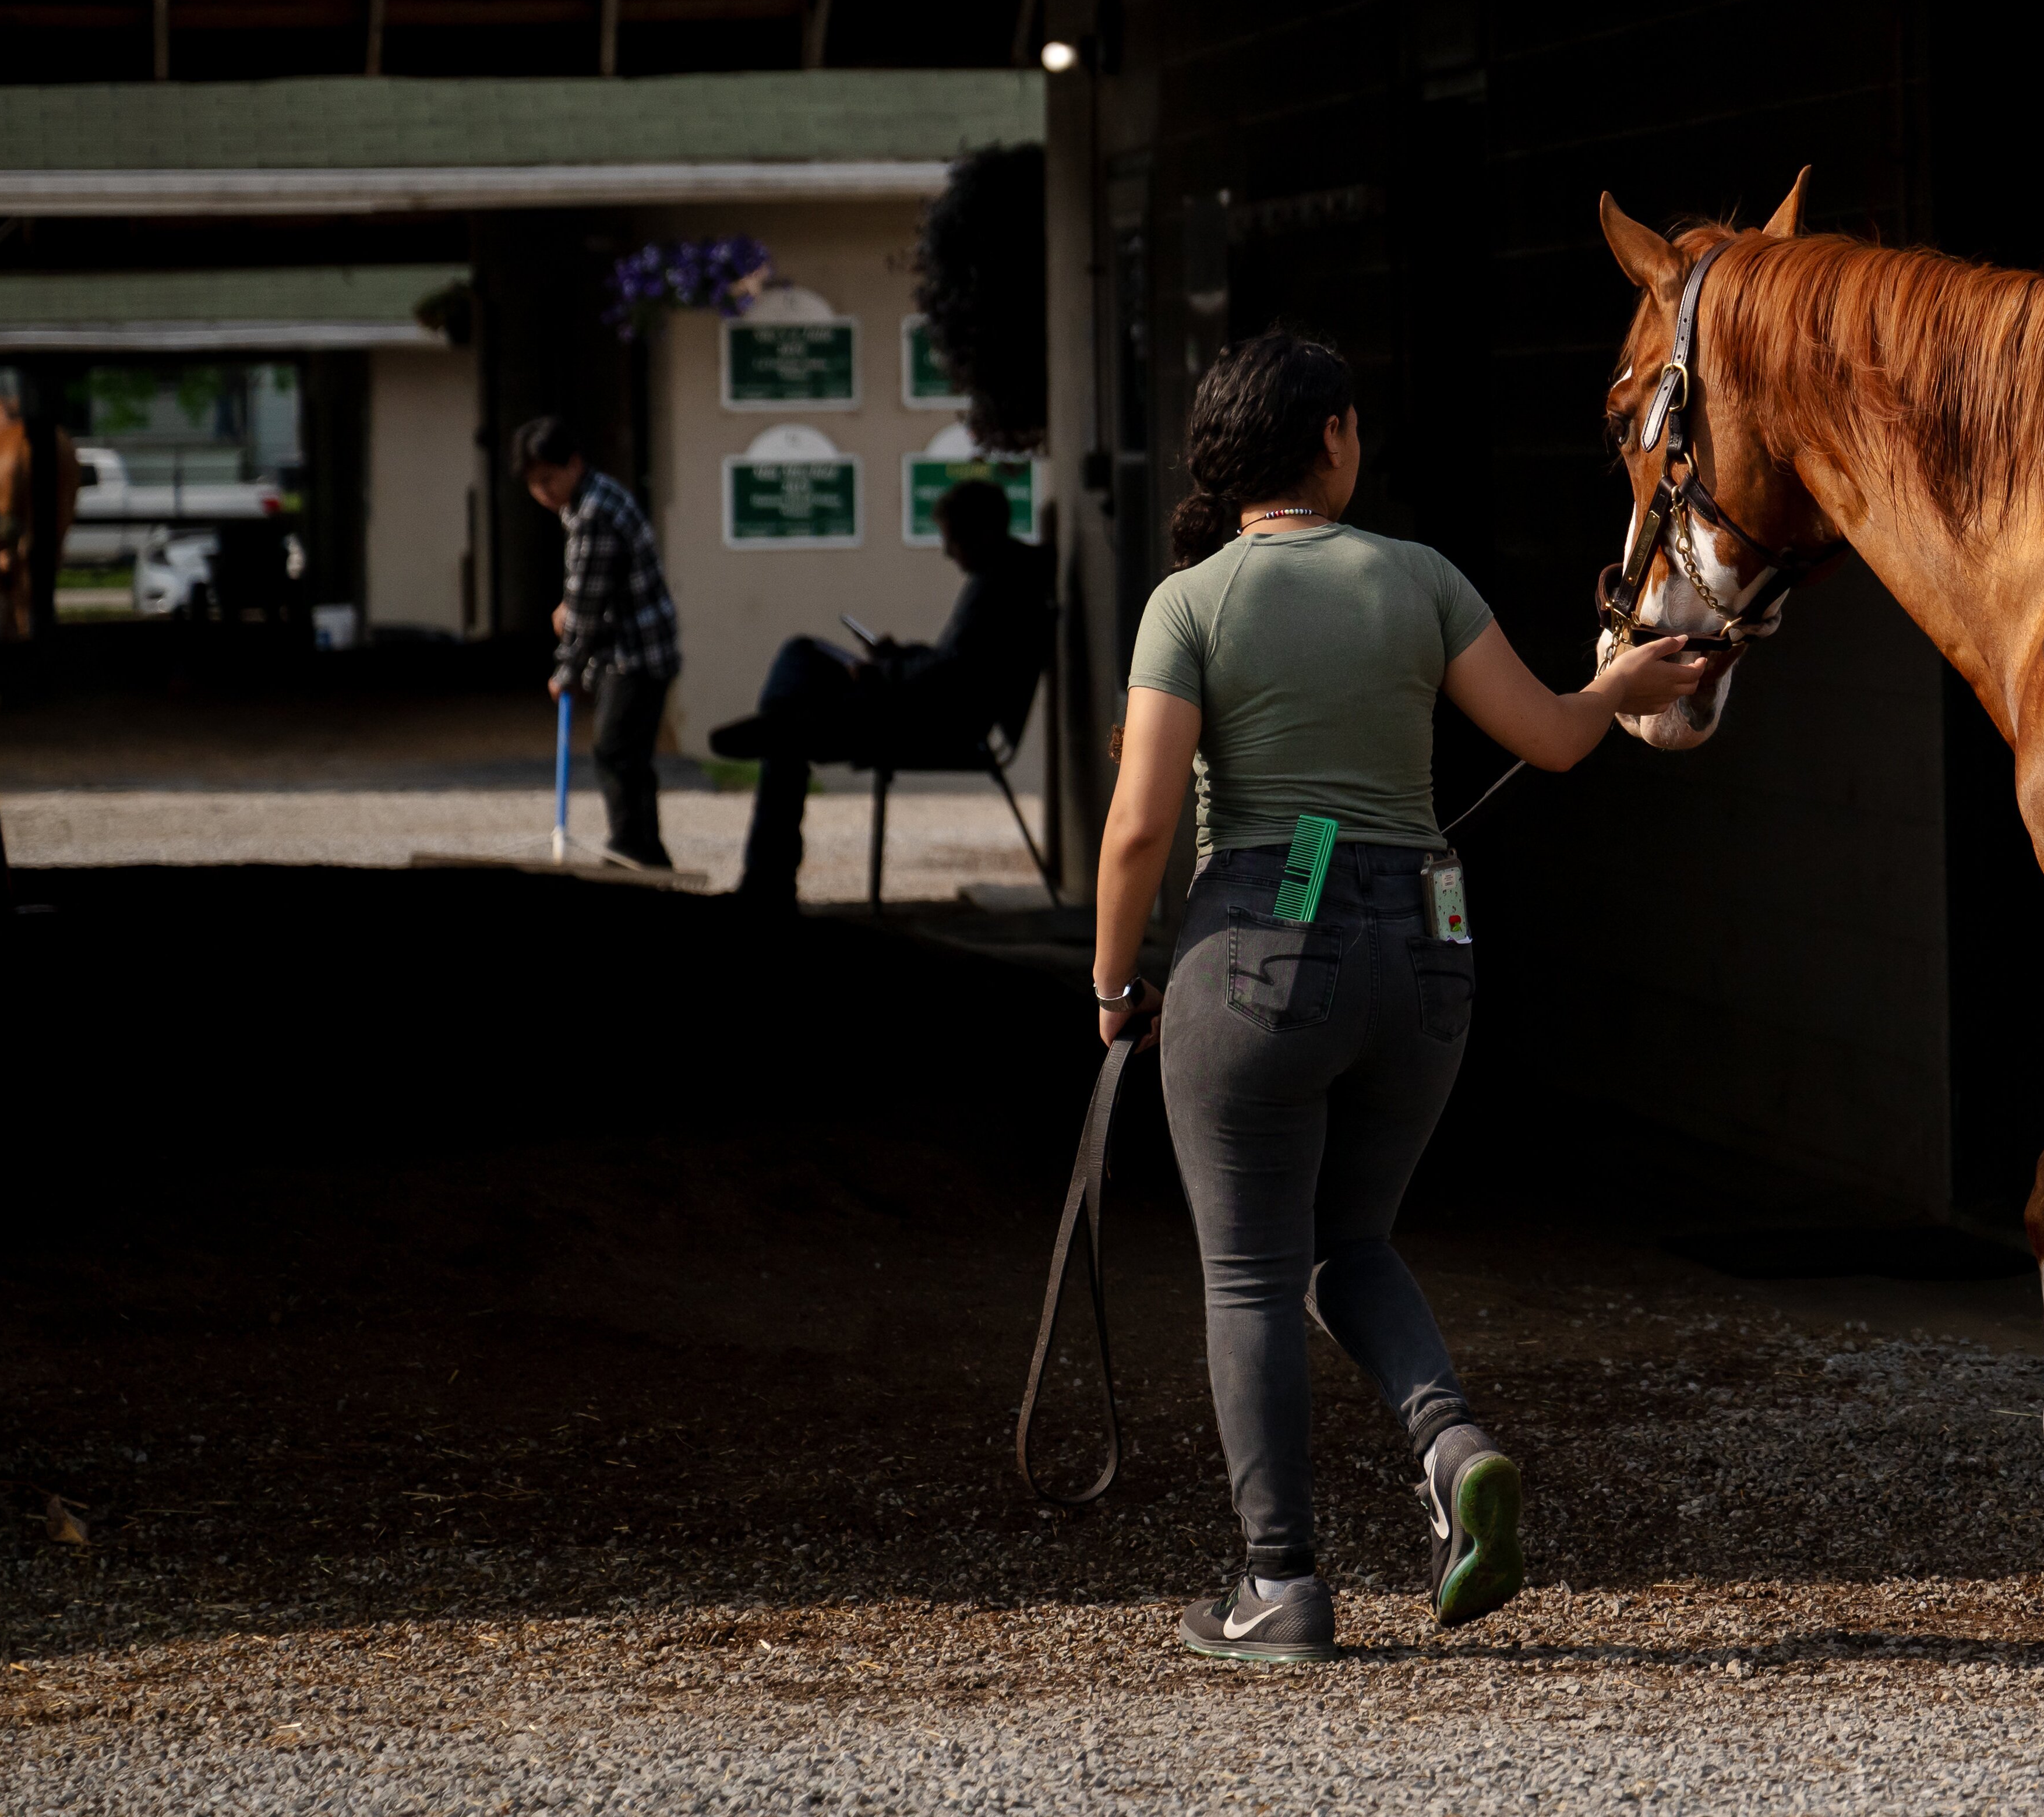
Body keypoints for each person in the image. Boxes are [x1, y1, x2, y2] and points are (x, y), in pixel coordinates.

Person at [1094, 329, 1707, 1667]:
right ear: (1329, 439)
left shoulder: (1190, 601)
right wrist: (1615, 684)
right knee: (1346, 1242)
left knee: (1253, 1263)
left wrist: (1111, 975)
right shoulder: (1420, 577)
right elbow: (1550, 737)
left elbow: (1142, 823)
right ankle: (1451, 1439)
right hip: (1425, 947)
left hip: (1263, 943)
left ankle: (1282, 1582)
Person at [712, 474, 1055, 906]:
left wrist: (885, 671)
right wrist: (899, 655)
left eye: (954, 539)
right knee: (799, 691)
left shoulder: (998, 584)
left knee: (800, 661)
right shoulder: (1009, 575)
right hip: (927, 706)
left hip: (926, 719)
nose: (948, 552)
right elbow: (955, 664)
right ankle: (782, 726)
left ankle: (767, 874)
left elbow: (953, 676)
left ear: (984, 533)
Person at [513, 415, 679, 873]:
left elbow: (585, 608)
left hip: (638, 654)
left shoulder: (594, 513)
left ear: (574, 464)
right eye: (534, 484)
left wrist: (565, 668)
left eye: (549, 479)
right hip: (629, 650)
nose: (543, 492)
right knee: (629, 755)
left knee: (616, 750)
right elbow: (589, 592)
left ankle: (631, 849)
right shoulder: (586, 502)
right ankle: (648, 854)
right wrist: (571, 608)